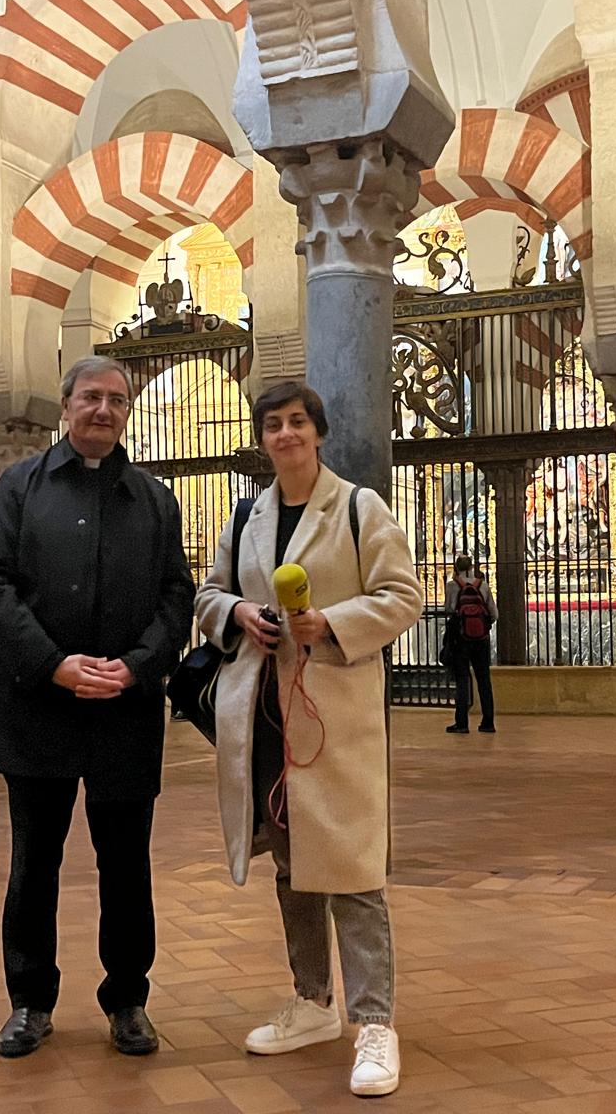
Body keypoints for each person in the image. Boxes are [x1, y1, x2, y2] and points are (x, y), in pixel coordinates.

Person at [194, 381, 422, 1098]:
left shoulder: (358, 506)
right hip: (265, 716)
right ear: (262, 440)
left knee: (353, 870)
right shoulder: (247, 515)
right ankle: (312, 1002)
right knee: (291, 866)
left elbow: (403, 596)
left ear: (317, 432)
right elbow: (207, 595)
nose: (286, 434)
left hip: (335, 718)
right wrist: (238, 613)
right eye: (273, 425)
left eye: (297, 422)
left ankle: (375, 1022)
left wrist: (333, 623)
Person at [0, 356, 193, 1061]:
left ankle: (128, 1000)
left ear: (127, 413)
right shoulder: (18, 486)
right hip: (39, 704)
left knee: (126, 865)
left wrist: (135, 667)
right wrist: (54, 665)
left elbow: (176, 597)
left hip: (124, 709)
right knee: (33, 863)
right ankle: (29, 1002)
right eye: (92, 397)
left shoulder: (154, 499)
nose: (104, 410)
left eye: (117, 401)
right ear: (65, 405)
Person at [444, 555, 497, 734]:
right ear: (472, 567)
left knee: (462, 680)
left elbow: (449, 608)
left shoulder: (452, 585)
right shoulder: (482, 585)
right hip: (481, 639)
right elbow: (494, 613)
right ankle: (488, 722)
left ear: (456, 568)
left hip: (461, 639)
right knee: (484, 679)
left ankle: (462, 723)